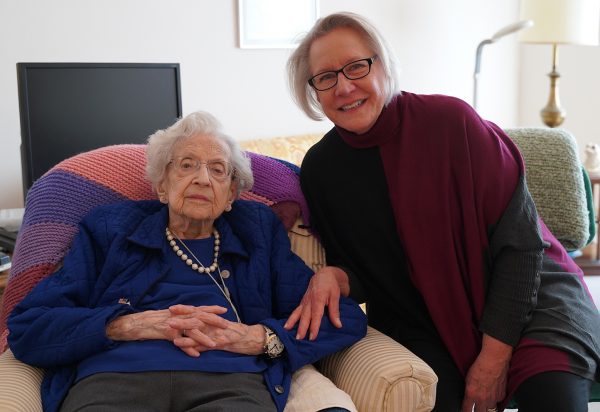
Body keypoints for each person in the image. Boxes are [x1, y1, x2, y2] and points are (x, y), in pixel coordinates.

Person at [284, 11, 600, 412]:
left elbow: (522, 247)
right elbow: (368, 273)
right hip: (424, 317)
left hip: (531, 299)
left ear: (382, 64)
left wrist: (493, 357)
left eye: (356, 66)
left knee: (555, 399)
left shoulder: (452, 123)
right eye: (326, 77)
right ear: (313, 90)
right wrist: (336, 276)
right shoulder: (321, 169)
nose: (344, 86)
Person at [7, 111, 367, 412]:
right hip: (114, 381)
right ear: (161, 185)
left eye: (218, 170)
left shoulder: (257, 234)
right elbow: (28, 326)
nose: (202, 178)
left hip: (231, 383)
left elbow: (344, 318)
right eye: (187, 165)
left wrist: (261, 338)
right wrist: (127, 326)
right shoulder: (109, 229)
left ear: (230, 196)